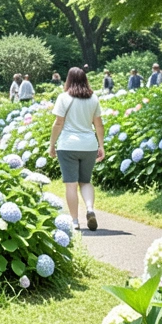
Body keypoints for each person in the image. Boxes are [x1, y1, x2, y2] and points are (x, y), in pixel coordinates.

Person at [48, 67, 106, 231]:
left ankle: (74, 221)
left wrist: (51, 144)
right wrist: (101, 146)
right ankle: (90, 209)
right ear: (85, 79)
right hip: (89, 145)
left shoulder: (63, 98)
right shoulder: (93, 98)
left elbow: (58, 123)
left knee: (71, 184)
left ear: (68, 80)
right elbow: (98, 124)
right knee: (85, 181)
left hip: (68, 145)